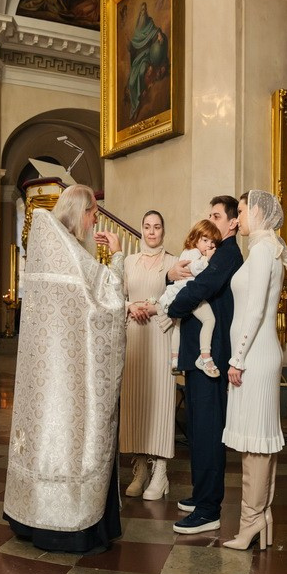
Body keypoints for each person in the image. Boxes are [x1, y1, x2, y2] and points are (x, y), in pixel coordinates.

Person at [2, 185, 127, 554]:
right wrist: (117, 256)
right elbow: (109, 298)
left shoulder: (49, 245)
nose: (94, 220)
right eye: (93, 213)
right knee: (74, 439)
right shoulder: (70, 251)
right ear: (80, 211)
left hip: (47, 377)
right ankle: (70, 523)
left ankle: (31, 515)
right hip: (71, 378)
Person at [162, 194, 241, 535]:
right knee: (197, 428)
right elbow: (183, 279)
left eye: (217, 215)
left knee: (209, 432)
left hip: (213, 355)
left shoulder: (227, 253)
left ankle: (209, 508)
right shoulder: (214, 253)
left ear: (233, 222)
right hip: (196, 354)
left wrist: (170, 307)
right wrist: (171, 278)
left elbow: (201, 288)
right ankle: (200, 494)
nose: (211, 221)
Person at [221, 189, 287, 551]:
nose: (238, 218)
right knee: (254, 442)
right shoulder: (263, 248)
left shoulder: (264, 250)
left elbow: (257, 310)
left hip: (257, 356)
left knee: (256, 444)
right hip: (255, 354)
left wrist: (238, 357)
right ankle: (258, 518)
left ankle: (252, 521)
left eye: (243, 211)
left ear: (259, 213)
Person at [119, 210, 175, 500]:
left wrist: (153, 308)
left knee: (160, 401)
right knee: (136, 400)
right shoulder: (129, 261)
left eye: (157, 227)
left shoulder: (174, 263)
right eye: (147, 226)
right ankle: (140, 469)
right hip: (135, 337)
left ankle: (161, 471)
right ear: (141, 230)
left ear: (164, 231)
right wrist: (130, 307)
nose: (152, 231)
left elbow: (179, 301)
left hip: (160, 336)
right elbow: (118, 294)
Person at [156, 221, 225, 376]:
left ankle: (175, 359)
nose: (209, 245)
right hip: (187, 293)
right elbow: (196, 269)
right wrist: (208, 259)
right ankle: (205, 356)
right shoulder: (194, 253)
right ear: (195, 237)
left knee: (178, 326)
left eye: (212, 242)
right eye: (205, 240)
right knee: (209, 320)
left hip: (178, 294)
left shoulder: (186, 252)